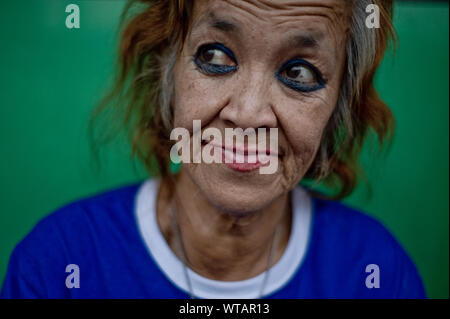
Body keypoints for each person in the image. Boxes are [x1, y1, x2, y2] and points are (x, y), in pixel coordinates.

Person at [1, 0, 426, 298]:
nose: (247, 113)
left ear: (337, 109)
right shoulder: (57, 267)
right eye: (216, 55)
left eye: (298, 71)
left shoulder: (377, 276)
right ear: (166, 73)